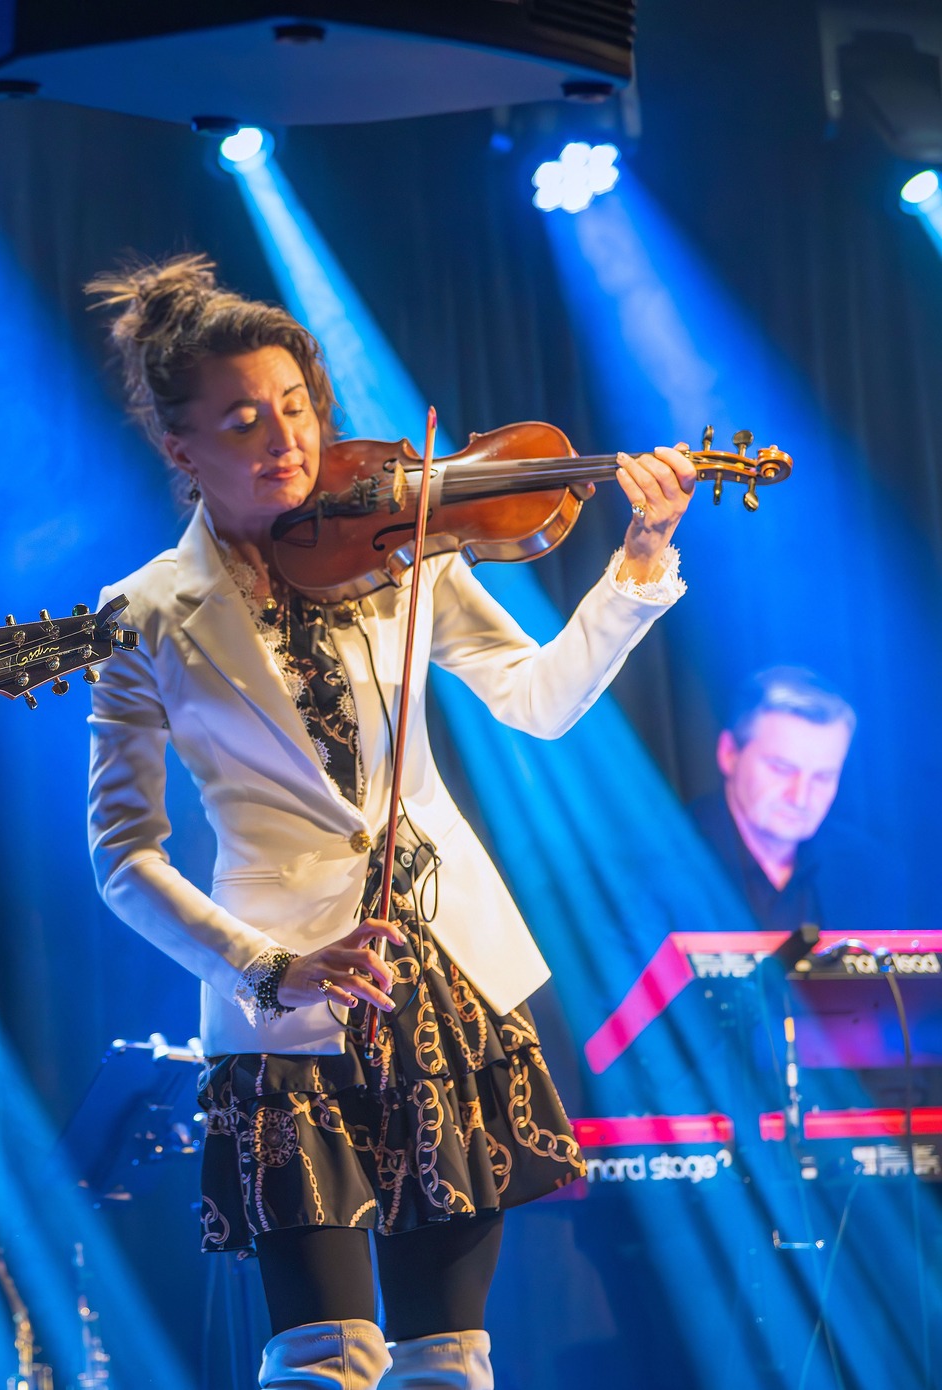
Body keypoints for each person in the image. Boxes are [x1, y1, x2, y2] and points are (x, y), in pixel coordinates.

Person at [81, 256, 696, 1389]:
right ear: (180, 448)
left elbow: (537, 699)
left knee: (445, 1361)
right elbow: (123, 858)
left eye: (297, 405)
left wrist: (637, 564)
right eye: (243, 420)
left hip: (444, 974)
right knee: (320, 1359)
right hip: (285, 1002)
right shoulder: (143, 615)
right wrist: (266, 968)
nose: (286, 439)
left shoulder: (401, 547)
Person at [689, 667, 874, 938]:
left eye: (822, 777)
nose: (800, 797)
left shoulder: (870, 871)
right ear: (729, 754)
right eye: (782, 769)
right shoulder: (663, 863)